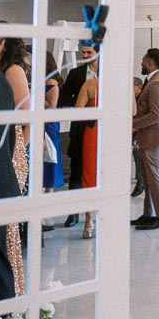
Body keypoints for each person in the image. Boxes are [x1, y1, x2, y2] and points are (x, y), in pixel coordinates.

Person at [0, 35, 31, 296]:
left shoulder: (12, 70)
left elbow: (26, 114)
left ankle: (10, 288)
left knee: (7, 227)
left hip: (10, 150)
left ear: (6, 44)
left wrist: (19, 149)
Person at [58, 42, 99, 226]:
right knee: (76, 171)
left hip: (100, 130)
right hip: (79, 129)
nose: (84, 55)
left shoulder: (111, 74)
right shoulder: (75, 74)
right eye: (83, 52)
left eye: (88, 52)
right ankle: (74, 213)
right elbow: (64, 97)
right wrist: (81, 99)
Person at [133, 47, 159, 229]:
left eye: (143, 60)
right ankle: (149, 214)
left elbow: (156, 115)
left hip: (153, 137)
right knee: (150, 179)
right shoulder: (154, 80)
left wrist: (133, 124)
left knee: (155, 179)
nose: (141, 63)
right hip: (148, 137)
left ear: (150, 62)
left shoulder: (157, 83)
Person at [73, 68, 100, 238]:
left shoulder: (91, 84)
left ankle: (89, 221)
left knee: (89, 175)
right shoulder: (123, 84)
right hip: (114, 133)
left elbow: (78, 111)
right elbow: (132, 112)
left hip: (93, 131)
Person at [42, 51, 65, 220]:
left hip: (49, 124)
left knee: (50, 158)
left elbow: (51, 105)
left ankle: (48, 197)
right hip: (44, 123)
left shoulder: (51, 82)